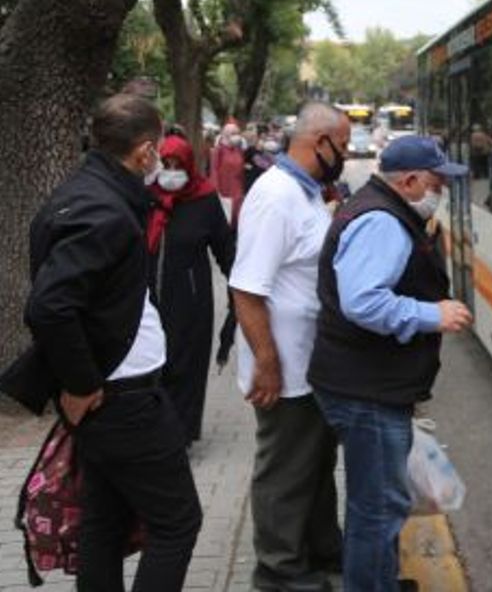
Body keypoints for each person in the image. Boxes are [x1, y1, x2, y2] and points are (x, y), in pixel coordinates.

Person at [20, 94, 202, 590]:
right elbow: (49, 306)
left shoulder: (88, 192)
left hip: (117, 396)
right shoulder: (104, 209)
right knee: (178, 521)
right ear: (144, 151)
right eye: (159, 149)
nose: (162, 160)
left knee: (106, 521)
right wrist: (80, 381)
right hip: (123, 400)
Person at [309, 136, 473, 592]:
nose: (440, 191)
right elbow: (363, 302)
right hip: (366, 389)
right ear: (411, 180)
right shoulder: (382, 221)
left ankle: (377, 578)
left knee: (376, 503)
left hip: (364, 381)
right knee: (378, 508)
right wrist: (431, 314)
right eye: (438, 182)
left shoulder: (378, 207)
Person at [230, 102, 350, 592]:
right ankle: (278, 572)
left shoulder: (303, 194)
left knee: (315, 465)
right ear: (317, 141)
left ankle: (321, 552)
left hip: (308, 362)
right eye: (341, 146)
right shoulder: (276, 197)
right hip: (284, 366)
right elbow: (246, 288)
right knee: (285, 471)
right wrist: (267, 362)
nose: (344, 155)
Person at [148, 134, 236, 444]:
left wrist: (238, 293)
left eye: (177, 165)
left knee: (185, 364)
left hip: (190, 298)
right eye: (166, 164)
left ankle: (180, 434)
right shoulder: (146, 197)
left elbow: (225, 248)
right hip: (147, 299)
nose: (171, 172)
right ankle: (154, 430)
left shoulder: (204, 198)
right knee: (154, 364)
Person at [212, 122, 246, 223]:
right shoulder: (219, 151)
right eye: (233, 133)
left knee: (237, 219)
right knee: (225, 220)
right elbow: (214, 171)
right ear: (225, 135)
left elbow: (241, 171)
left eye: (238, 133)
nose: (237, 136)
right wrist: (216, 192)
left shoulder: (238, 150)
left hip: (237, 191)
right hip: (224, 192)